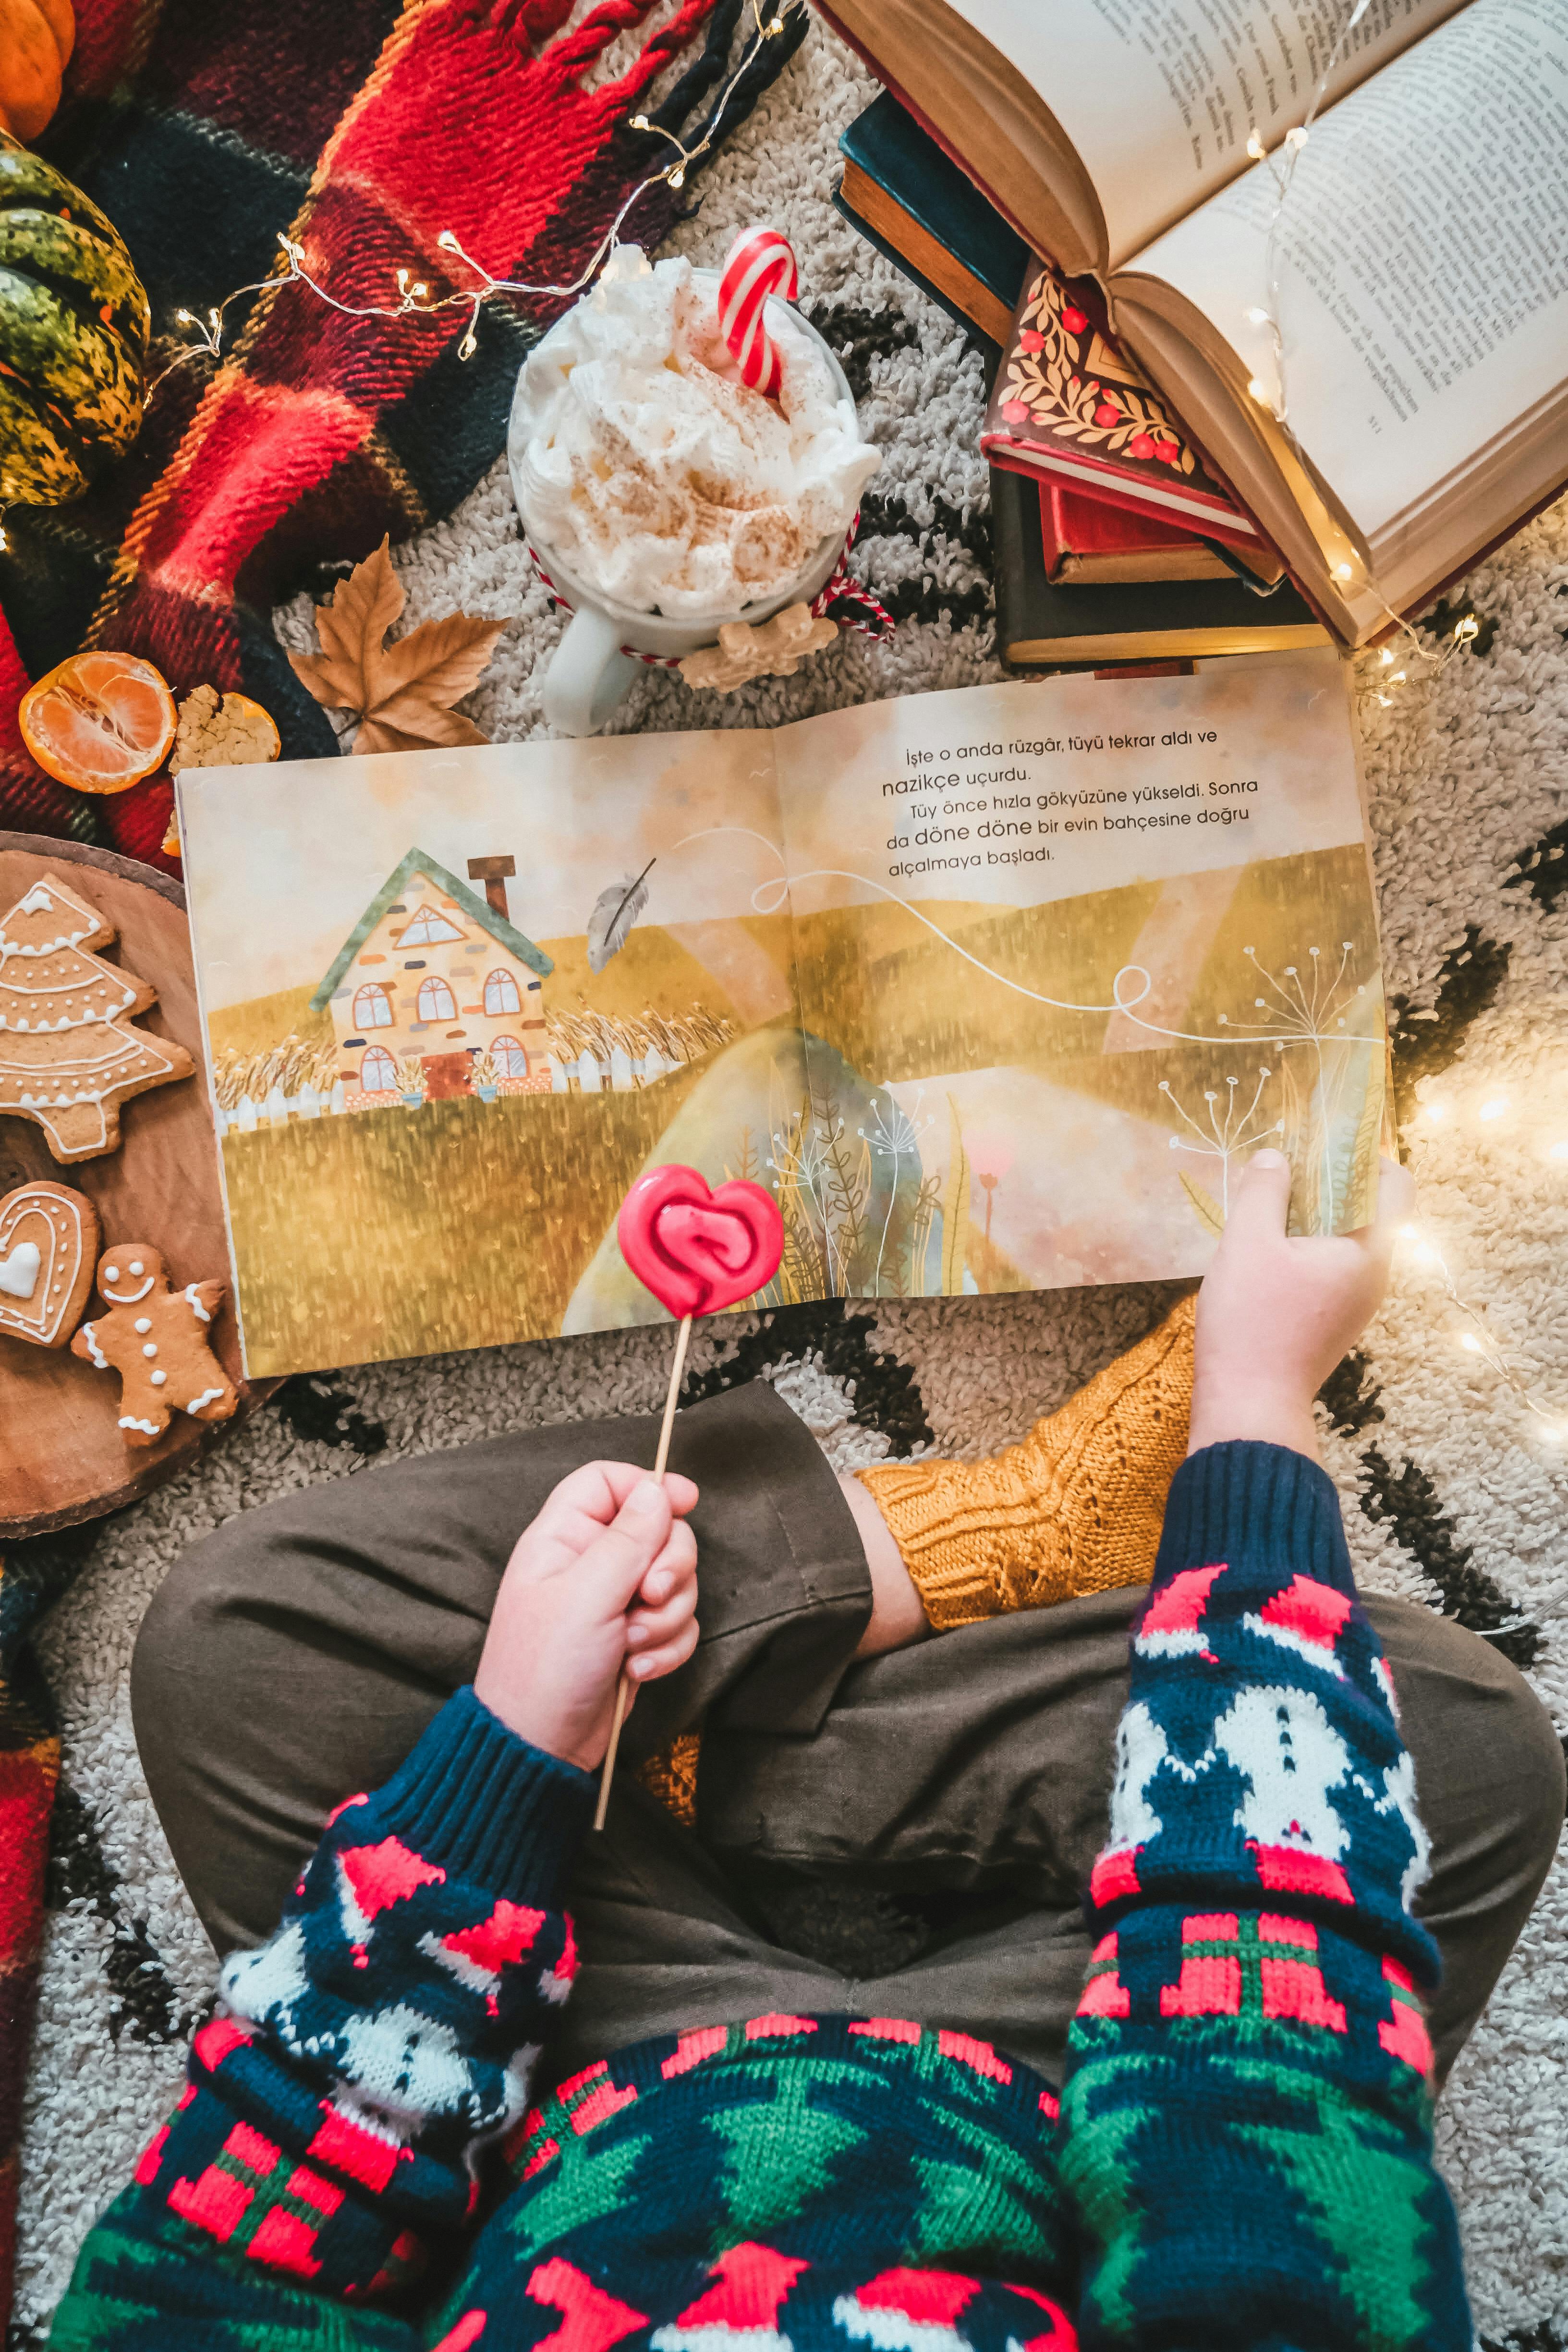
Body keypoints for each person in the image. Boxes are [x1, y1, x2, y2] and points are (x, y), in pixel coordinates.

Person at [50, 1152, 1563, 2350]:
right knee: (1466, 1752)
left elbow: (215, 2274)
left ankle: (676, 1724)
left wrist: (507, 1755)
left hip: (571, 2096)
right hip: (1063, 2117)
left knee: (241, 1645)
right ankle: (1004, 1538)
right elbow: (1265, 2153)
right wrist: (1248, 1417)